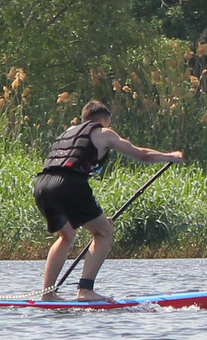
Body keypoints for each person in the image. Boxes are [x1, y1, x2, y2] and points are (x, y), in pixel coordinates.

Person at [34, 101, 185, 298]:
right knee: (104, 232)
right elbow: (142, 155)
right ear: (104, 120)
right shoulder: (104, 133)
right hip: (69, 184)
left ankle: (48, 293)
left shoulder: (68, 132)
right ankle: (85, 290)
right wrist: (169, 156)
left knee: (66, 236)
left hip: (42, 185)